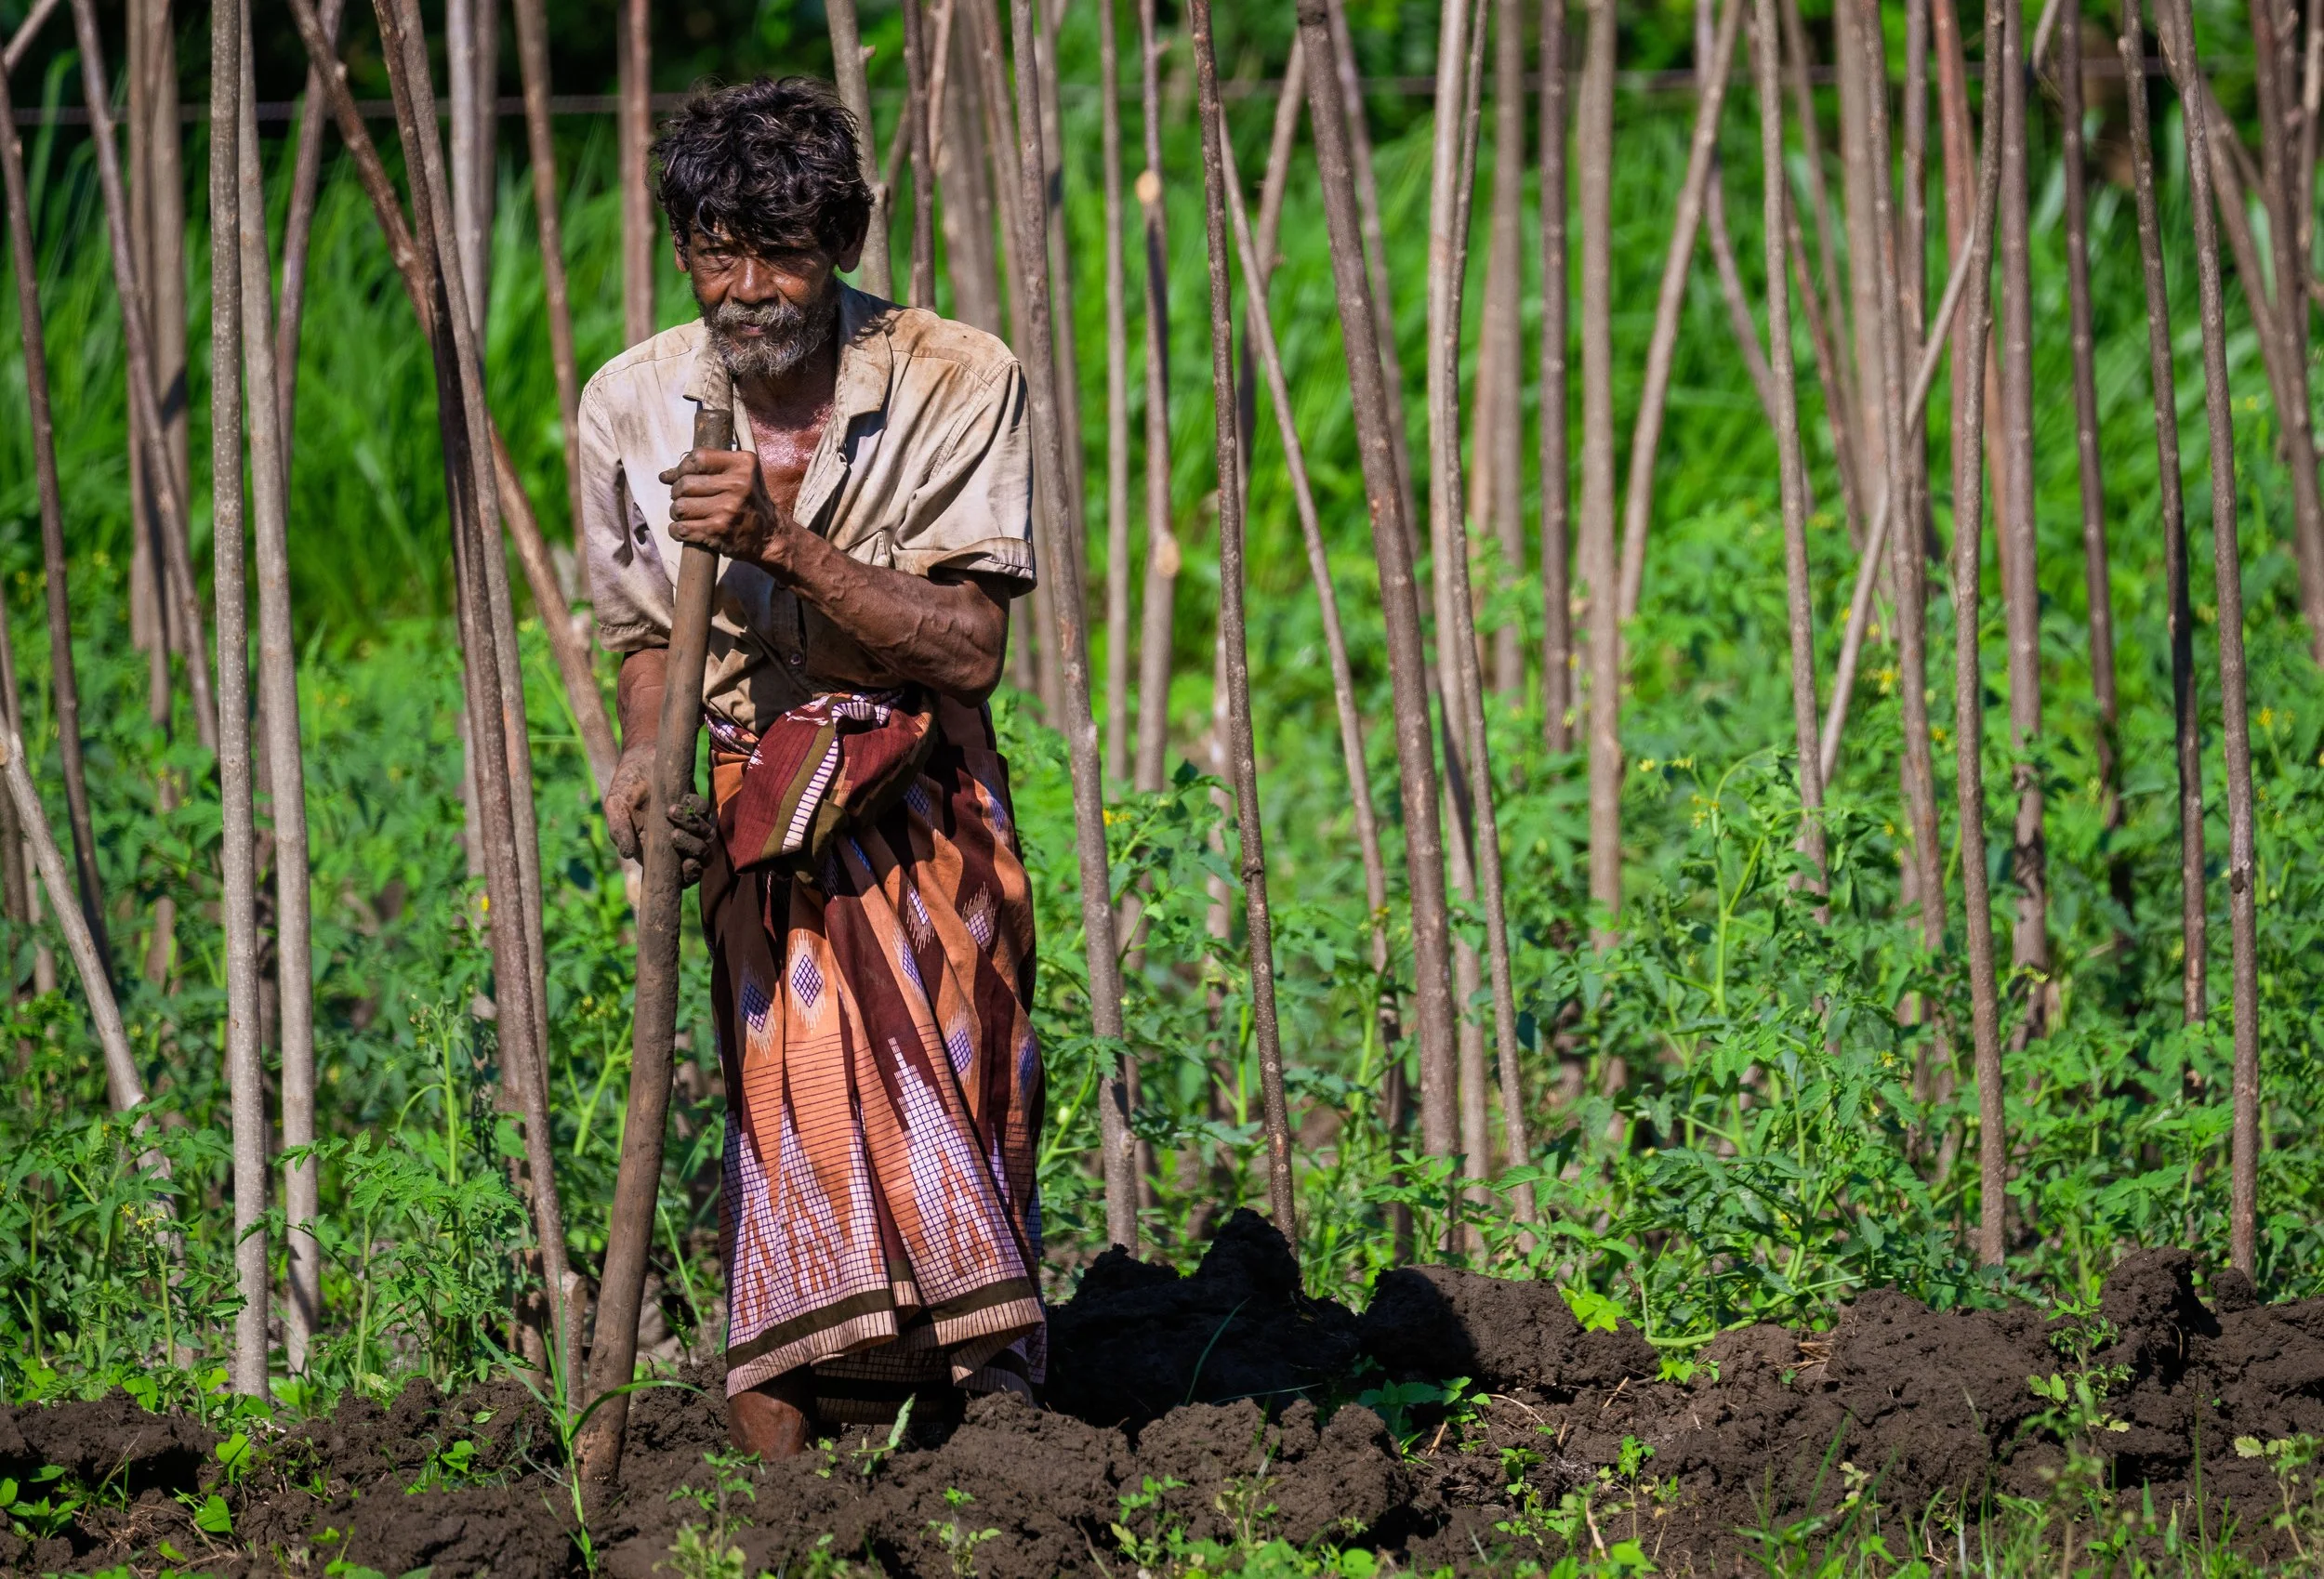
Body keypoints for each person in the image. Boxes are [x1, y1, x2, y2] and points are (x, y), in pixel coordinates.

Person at [577, 77, 1045, 1459]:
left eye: (778, 252)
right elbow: (638, 640)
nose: (745, 287)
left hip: (919, 794)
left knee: (956, 1078)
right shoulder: (630, 405)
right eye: (714, 250)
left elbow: (967, 647)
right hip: (752, 812)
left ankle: (999, 1416)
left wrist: (784, 542)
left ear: (838, 241)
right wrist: (638, 762)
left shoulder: (957, 376)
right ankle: (786, 1453)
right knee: (790, 1099)